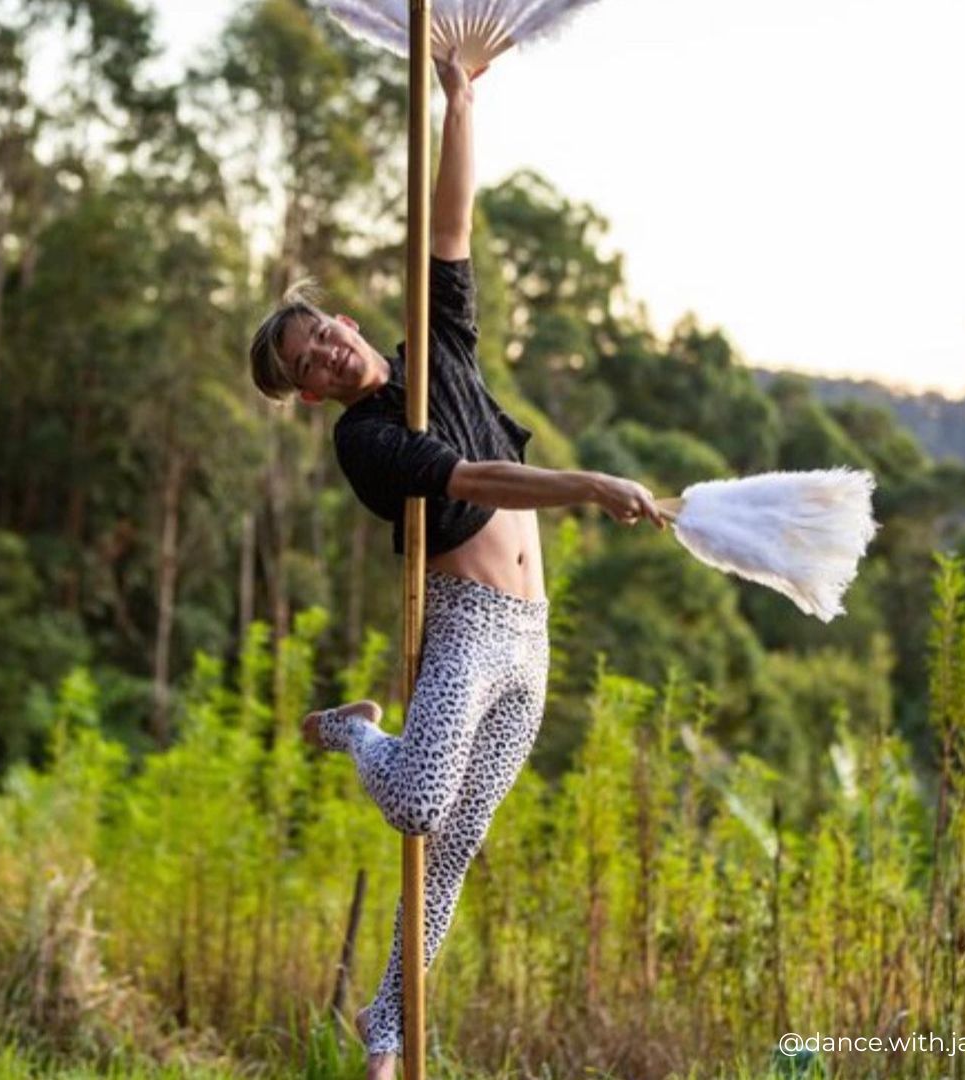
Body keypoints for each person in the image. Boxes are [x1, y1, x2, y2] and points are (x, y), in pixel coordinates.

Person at [249, 47, 665, 1080]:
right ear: (309, 394)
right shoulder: (364, 440)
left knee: (453, 851)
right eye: (309, 367)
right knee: (417, 803)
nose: (327, 356)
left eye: (322, 335)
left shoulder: (440, 342)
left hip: (535, 637)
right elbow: (474, 474)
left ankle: (387, 1037)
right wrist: (589, 484)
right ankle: (357, 734)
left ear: (343, 322)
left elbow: (449, 225)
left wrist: (461, 100)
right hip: (470, 626)